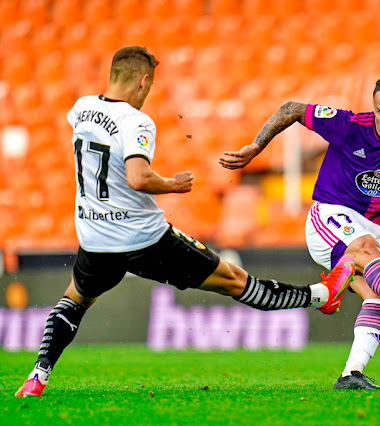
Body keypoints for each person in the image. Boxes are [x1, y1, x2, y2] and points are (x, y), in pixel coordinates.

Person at [15, 46, 355, 398]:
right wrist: (172, 184)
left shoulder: (82, 108)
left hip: (96, 238)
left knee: (74, 301)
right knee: (234, 280)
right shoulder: (136, 121)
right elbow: (138, 177)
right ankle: (321, 295)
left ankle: (38, 375)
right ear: (144, 81)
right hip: (144, 239)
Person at [219, 72, 380, 390]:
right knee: (367, 247)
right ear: (373, 106)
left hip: (371, 228)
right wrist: (256, 147)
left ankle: (350, 373)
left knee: (378, 298)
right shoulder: (350, 125)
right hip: (328, 214)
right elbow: (291, 108)